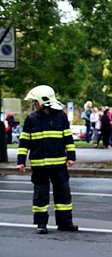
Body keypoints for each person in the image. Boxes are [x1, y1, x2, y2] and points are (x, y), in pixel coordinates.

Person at [17, 85, 78, 234]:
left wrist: (71, 156)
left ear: (43, 101)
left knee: (63, 194)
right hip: (39, 166)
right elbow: (24, 141)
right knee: (40, 196)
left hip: (58, 164)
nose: (34, 104)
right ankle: (41, 223)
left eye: (35, 101)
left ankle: (65, 223)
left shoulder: (61, 117)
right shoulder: (32, 119)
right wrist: (21, 160)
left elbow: (68, 138)